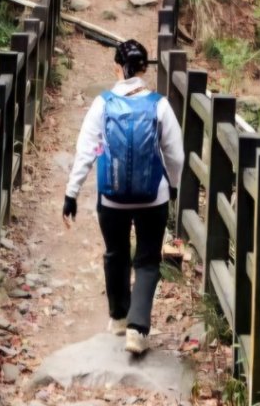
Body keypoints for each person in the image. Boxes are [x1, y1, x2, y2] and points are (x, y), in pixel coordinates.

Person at [62, 39, 185, 356]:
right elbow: (175, 155)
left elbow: (86, 150)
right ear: (144, 69)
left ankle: (118, 318)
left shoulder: (102, 104)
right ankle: (138, 329)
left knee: (115, 252)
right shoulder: (159, 105)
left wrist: (71, 194)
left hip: (112, 197)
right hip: (152, 197)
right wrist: (172, 185)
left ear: (116, 66)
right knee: (147, 259)